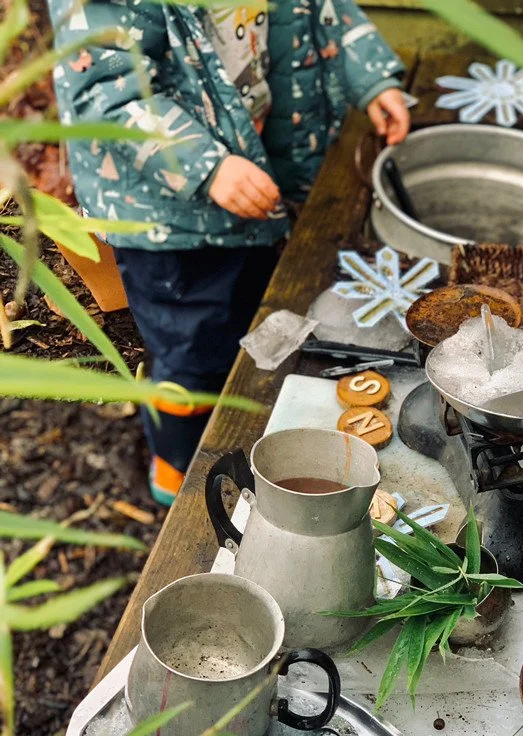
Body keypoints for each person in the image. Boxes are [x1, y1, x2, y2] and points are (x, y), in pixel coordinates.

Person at [49, 0, 410, 504]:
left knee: (248, 319)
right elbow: (105, 91)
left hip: (251, 182)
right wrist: (206, 166)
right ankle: (177, 466)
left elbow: (320, 10)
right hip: (166, 218)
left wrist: (370, 77)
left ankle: (243, 423)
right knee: (189, 351)